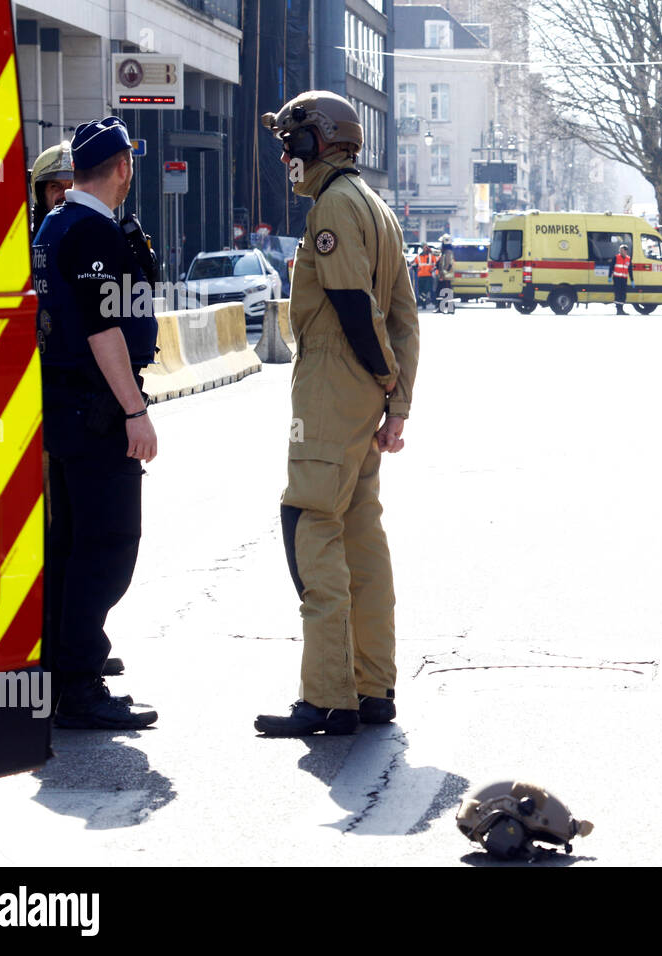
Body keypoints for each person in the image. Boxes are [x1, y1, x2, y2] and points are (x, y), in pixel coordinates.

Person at [254, 90, 420, 736]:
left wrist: (378, 377)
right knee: (360, 535)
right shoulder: (378, 210)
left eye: (292, 141)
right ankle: (372, 685)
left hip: (331, 391)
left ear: (319, 141)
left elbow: (357, 309)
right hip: (364, 400)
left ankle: (327, 696)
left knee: (309, 520)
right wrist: (395, 402)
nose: (287, 156)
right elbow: (406, 319)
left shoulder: (333, 207)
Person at [32, 116, 160, 729]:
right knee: (108, 546)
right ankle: (79, 684)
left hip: (62, 407)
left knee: (72, 546)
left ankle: (65, 671)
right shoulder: (91, 233)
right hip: (96, 409)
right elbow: (103, 330)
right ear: (123, 169)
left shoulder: (55, 225)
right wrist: (135, 410)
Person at [29, 141, 73, 237]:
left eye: (72, 186)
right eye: (55, 186)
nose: (65, 194)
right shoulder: (24, 243)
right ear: (41, 195)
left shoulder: (100, 239)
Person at [435, 235, 456, 311]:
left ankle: (448, 308)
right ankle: (443, 308)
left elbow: (447, 264)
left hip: (445, 276)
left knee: (445, 292)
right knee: (444, 292)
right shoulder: (445, 252)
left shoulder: (448, 252)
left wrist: (442, 275)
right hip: (445, 276)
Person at [612, 242, 632, 314]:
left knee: (623, 295)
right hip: (617, 278)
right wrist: (609, 276)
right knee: (618, 294)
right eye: (620, 250)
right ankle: (618, 310)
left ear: (625, 251)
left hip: (624, 279)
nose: (620, 251)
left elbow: (630, 270)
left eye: (622, 250)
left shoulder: (628, 259)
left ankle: (621, 309)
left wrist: (632, 280)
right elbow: (611, 267)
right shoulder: (616, 257)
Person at [415, 243, 437, 308]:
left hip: (428, 276)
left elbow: (435, 264)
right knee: (422, 291)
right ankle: (423, 304)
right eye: (424, 247)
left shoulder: (431, 256)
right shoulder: (418, 256)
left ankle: (434, 303)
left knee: (429, 289)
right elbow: (415, 265)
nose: (425, 248)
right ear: (422, 248)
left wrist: (432, 269)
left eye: (426, 247)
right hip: (421, 276)